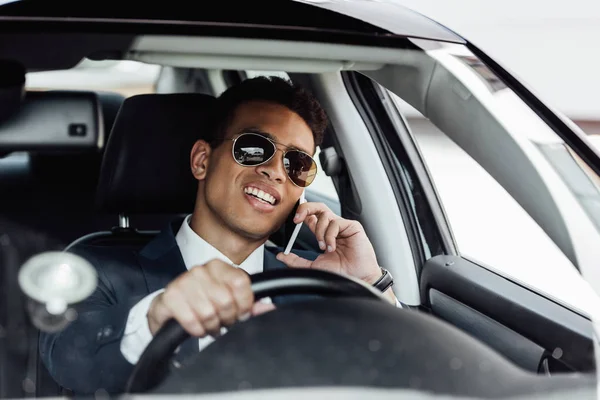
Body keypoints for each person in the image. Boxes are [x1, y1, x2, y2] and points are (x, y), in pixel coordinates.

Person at [39, 76, 398, 394]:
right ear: (201, 161)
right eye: (255, 147)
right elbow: (74, 363)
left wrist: (368, 287)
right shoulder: (95, 269)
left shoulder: (310, 288)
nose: (275, 171)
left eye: (297, 165)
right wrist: (157, 318)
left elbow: (398, 377)